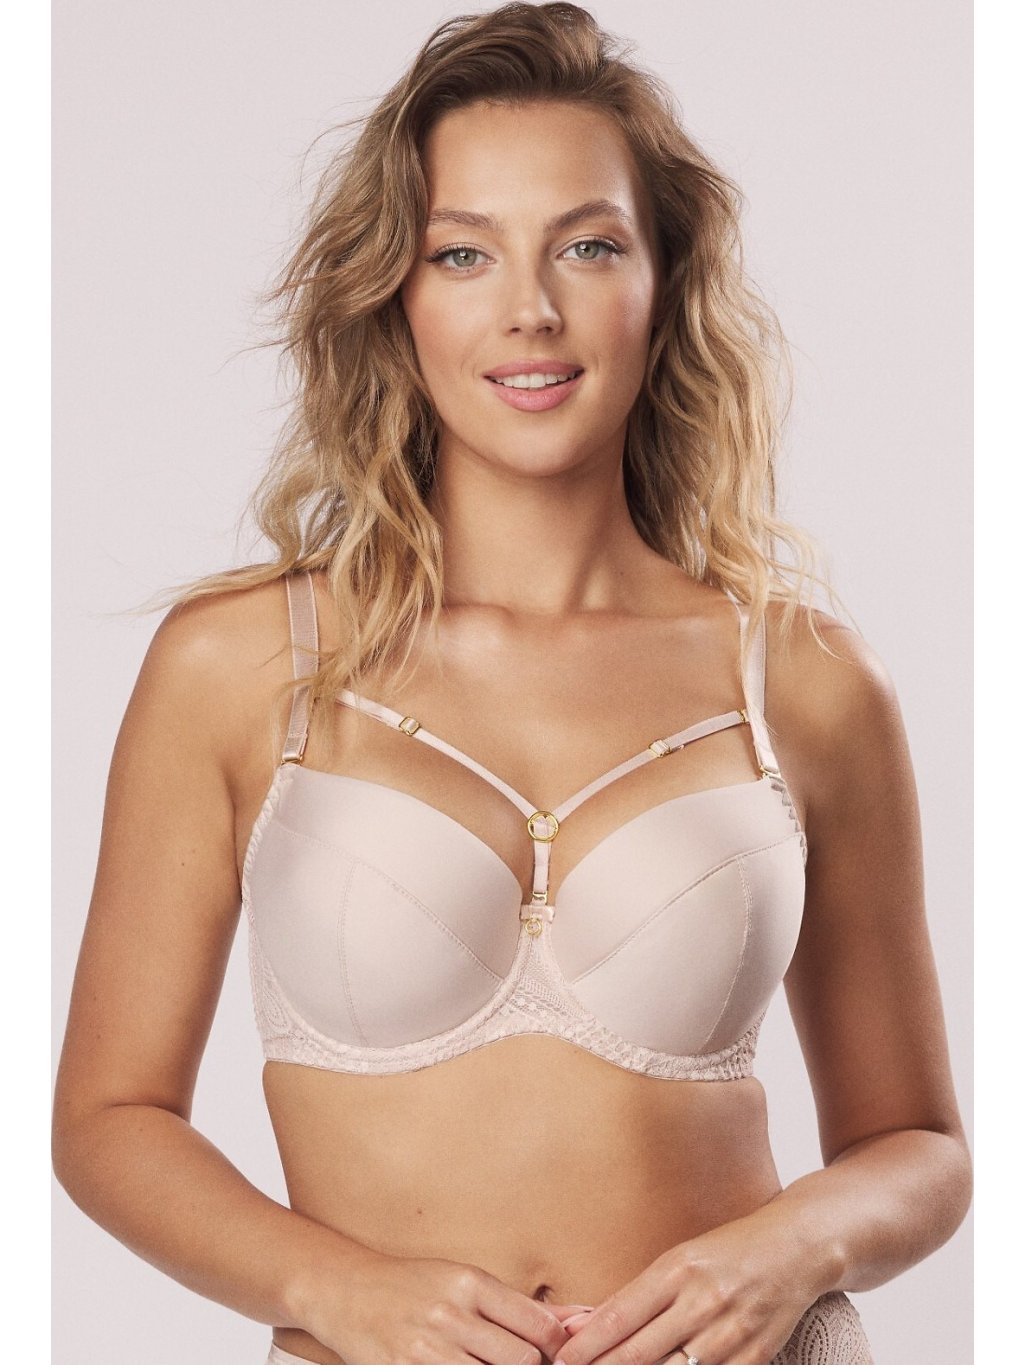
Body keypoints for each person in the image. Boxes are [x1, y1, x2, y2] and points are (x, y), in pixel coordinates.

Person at [52, 4, 972, 1363]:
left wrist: (792, 1246)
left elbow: (919, 1143)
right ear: (397, 296)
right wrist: (330, 1287)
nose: (530, 307)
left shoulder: (806, 680)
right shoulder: (242, 663)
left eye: (588, 245)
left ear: (662, 282)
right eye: (463, 252)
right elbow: (108, 1118)